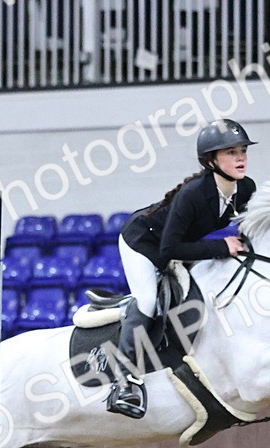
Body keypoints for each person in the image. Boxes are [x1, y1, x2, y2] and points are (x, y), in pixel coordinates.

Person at [107, 118, 258, 418]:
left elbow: (249, 230)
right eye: (230, 152)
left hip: (177, 246)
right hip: (143, 243)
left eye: (242, 150)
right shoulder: (193, 194)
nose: (240, 157)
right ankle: (122, 379)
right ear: (211, 160)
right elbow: (169, 249)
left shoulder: (246, 188)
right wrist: (220, 247)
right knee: (148, 301)